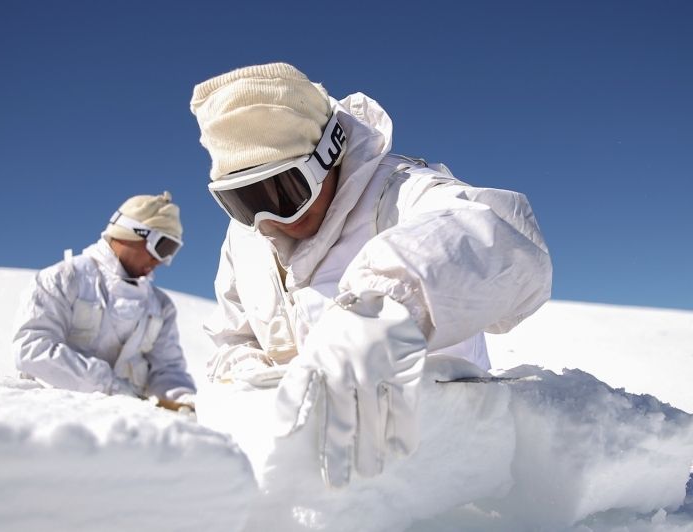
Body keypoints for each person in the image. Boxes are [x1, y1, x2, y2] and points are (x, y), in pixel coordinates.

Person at [190, 63, 552, 487]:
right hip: (309, 477)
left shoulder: (399, 193)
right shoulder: (244, 242)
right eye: (245, 201)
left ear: (329, 154)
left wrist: (385, 312)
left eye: (285, 192)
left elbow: (501, 237)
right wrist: (260, 391)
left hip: (435, 468)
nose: (270, 219)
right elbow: (234, 340)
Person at [12, 192, 196, 409]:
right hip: (54, 414)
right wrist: (109, 386)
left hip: (124, 423)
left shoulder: (160, 306)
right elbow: (32, 349)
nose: (162, 261)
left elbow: (168, 370)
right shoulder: (64, 279)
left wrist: (184, 401)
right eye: (163, 247)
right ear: (130, 232)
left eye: (172, 251)